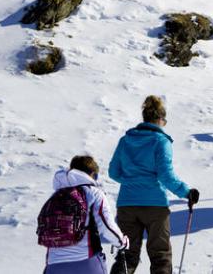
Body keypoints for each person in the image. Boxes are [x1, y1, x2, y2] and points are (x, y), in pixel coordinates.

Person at [108, 96, 200, 274]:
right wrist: (187, 192)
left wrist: (132, 183)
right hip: (155, 206)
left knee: (126, 255)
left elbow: (113, 172)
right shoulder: (160, 141)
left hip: (127, 204)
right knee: (160, 255)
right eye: (164, 121)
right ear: (159, 119)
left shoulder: (125, 140)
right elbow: (165, 175)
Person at [40, 155, 128, 274]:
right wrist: (122, 242)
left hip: (54, 264)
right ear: (91, 174)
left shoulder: (56, 196)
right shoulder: (94, 193)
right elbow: (107, 227)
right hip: (87, 262)